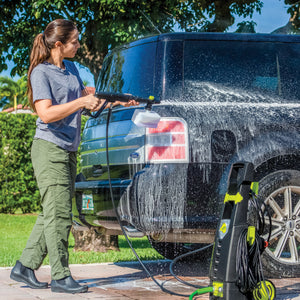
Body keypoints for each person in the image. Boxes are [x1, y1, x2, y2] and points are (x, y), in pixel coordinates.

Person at [10, 19, 137, 294]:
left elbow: (87, 100)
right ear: (58, 44)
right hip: (48, 148)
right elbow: (45, 113)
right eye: (74, 41)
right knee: (60, 216)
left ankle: (24, 266)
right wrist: (81, 102)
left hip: (68, 149)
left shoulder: (71, 70)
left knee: (50, 213)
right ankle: (60, 276)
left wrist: (120, 101)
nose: (79, 45)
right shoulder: (40, 73)